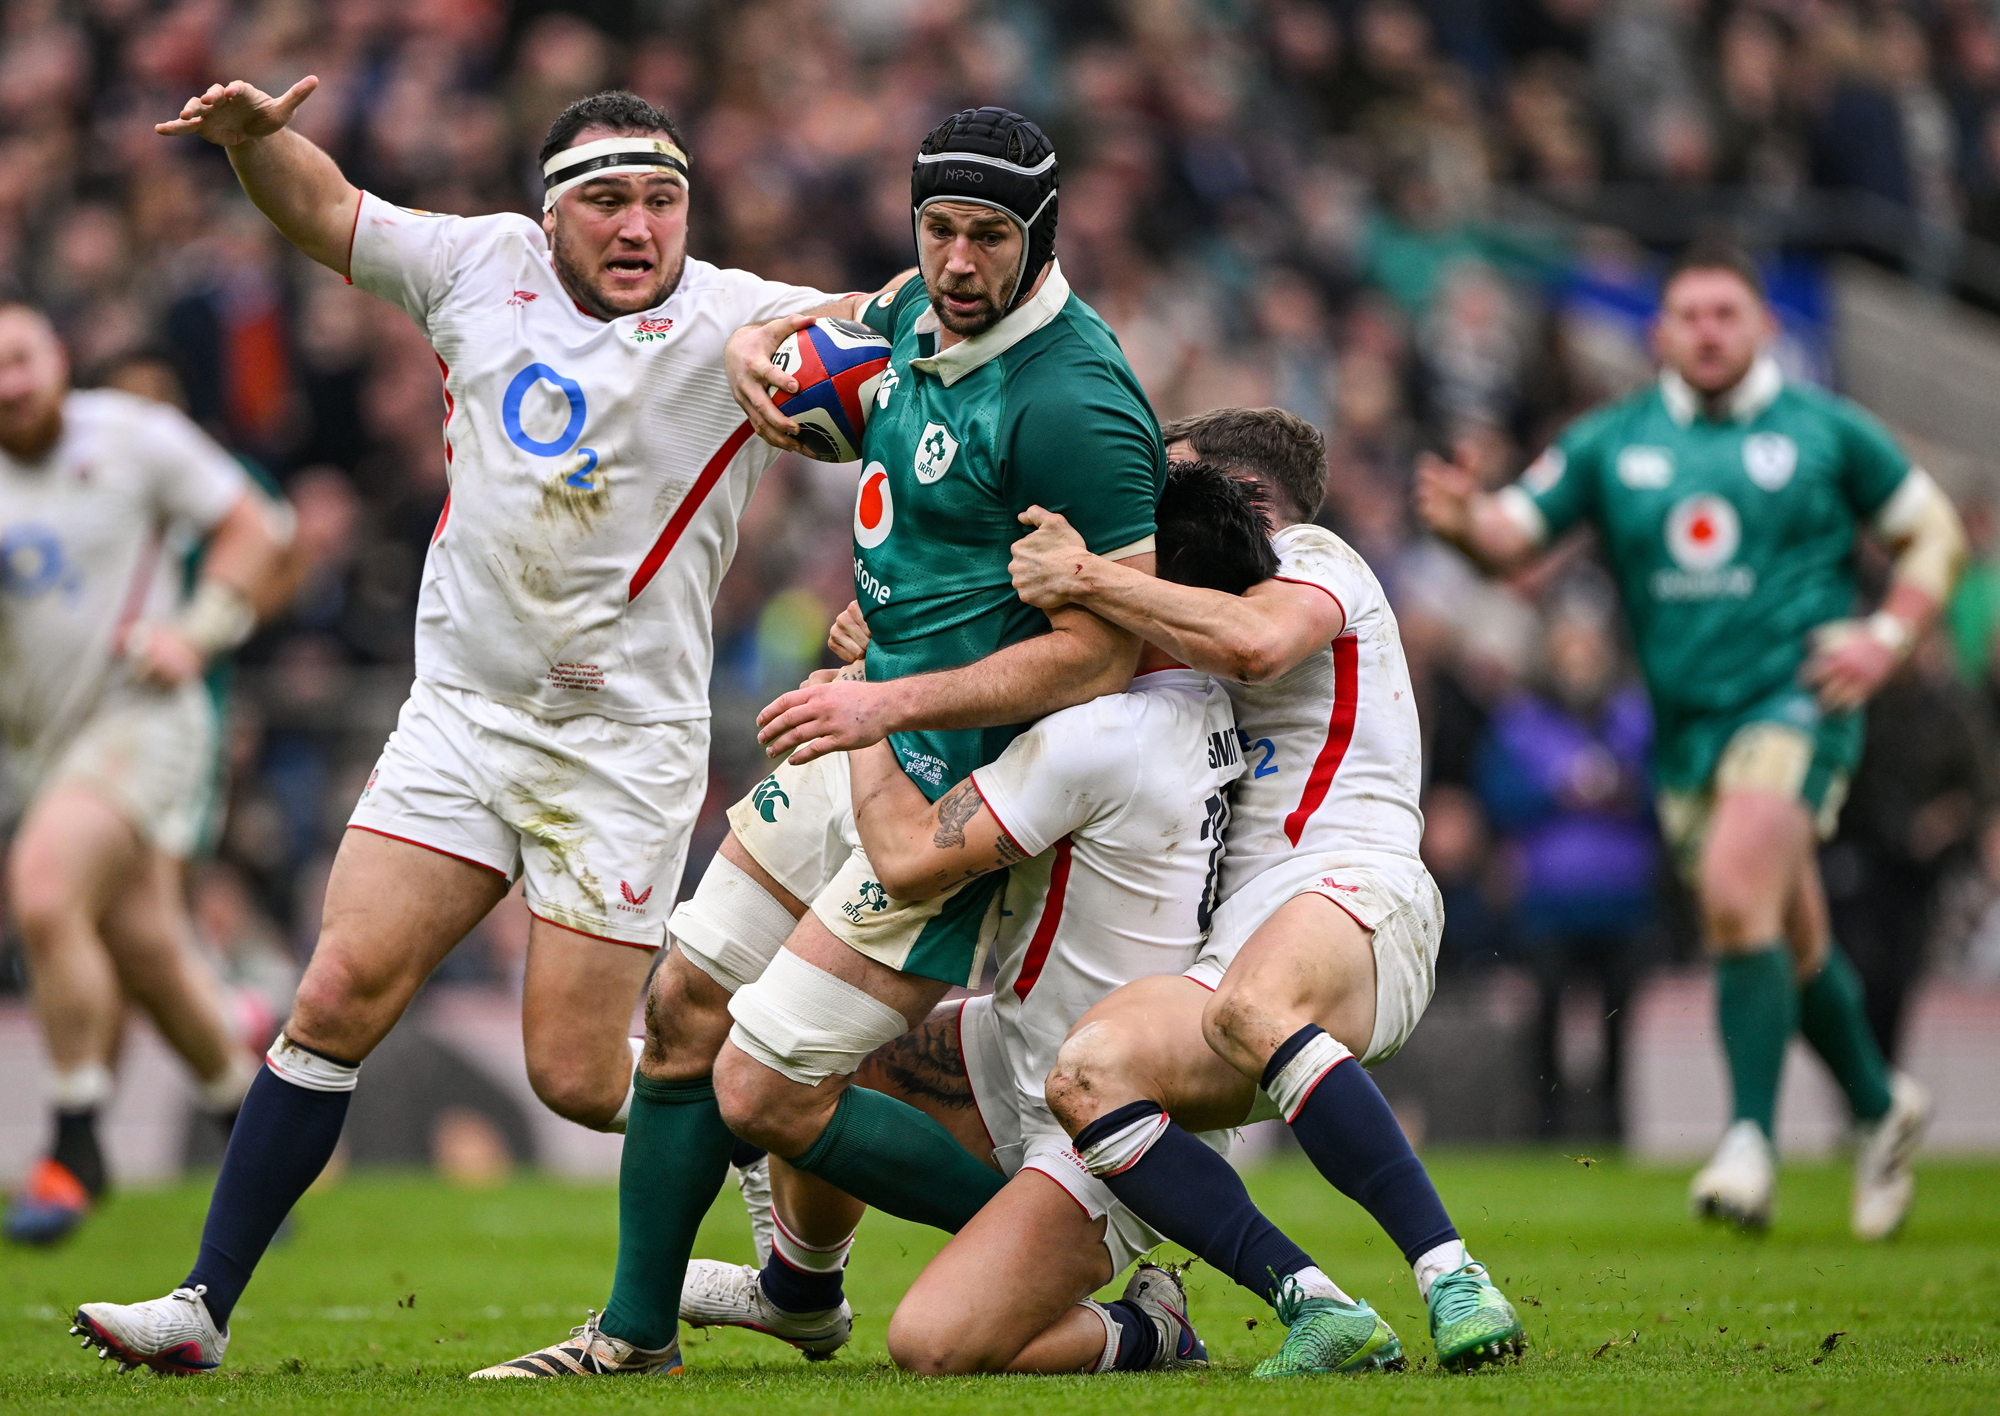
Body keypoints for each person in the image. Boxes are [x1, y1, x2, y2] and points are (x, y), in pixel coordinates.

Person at [72, 77, 860, 1374]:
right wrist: (258, 142)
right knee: (335, 994)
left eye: (662, 200)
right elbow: (327, 211)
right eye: (607, 200)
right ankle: (202, 1309)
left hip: (620, 747)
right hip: (463, 718)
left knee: (580, 1079)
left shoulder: (743, 316)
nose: (638, 225)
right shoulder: (478, 265)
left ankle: (777, 1188)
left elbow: (889, 323)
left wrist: (783, 337)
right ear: (551, 214)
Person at [477, 106, 1164, 1379]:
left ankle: (1069, 1256)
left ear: (1042, 233)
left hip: (961, 788)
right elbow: (842, 316)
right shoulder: (913, 308)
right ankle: (634, 1338)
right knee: (684, 1006)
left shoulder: (1074, 399)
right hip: (859, 730)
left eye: (989, 236)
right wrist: (752, 343)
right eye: (938, 228)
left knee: (765, 1091)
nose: (957, 262)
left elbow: (1102, 652)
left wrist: (886, 702)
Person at [1416, 241, 1962, 1238]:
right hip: (1684, 729)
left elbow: (1934, 534)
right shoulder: (1611, 441)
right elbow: (1508, 541)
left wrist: (1885, 639)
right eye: (1688, 316)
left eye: (1725, 314)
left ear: (1763, 327)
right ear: (1658, 332)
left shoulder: (1826, 430)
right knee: (1787, 934)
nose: (1707, 333)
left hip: (1798, 700)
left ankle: (1747, 1142)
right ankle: (1880, 1106)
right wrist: (1459, 522)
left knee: (1732, 893)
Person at [698, 461, 1271, 1375]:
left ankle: (1151, 1329)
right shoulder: (1196, 703)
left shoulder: (1102, 738)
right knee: (806, 1058)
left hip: (1111, 1120)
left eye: (1099, 553)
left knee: (932, 1346)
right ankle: (801, 1291)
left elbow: (905, 858)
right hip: (1022, 1053)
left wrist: (873, 689)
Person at [1014, 405, 1526, 1375]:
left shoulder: (1315, 557)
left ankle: (1453, 1276)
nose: (1150, 509)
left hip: (1359, 888)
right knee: (1087, 1074)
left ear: (1244, 496)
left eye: (1169, 483)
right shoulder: (1184, 608)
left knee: (1251, 1006)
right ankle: (1315, 1305)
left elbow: (1256, 644)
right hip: (1240, 952)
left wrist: (1085, 574)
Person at [0, 305, 282, 1246]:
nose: (9, 383)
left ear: (59, 358)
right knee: (147, 947)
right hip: (41, 747)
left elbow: (259, 527)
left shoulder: (129, 435)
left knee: (44, 890)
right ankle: (252, 1139)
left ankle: (74, 1139)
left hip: (145, 719)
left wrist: (197, 633)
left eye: (20, 358)